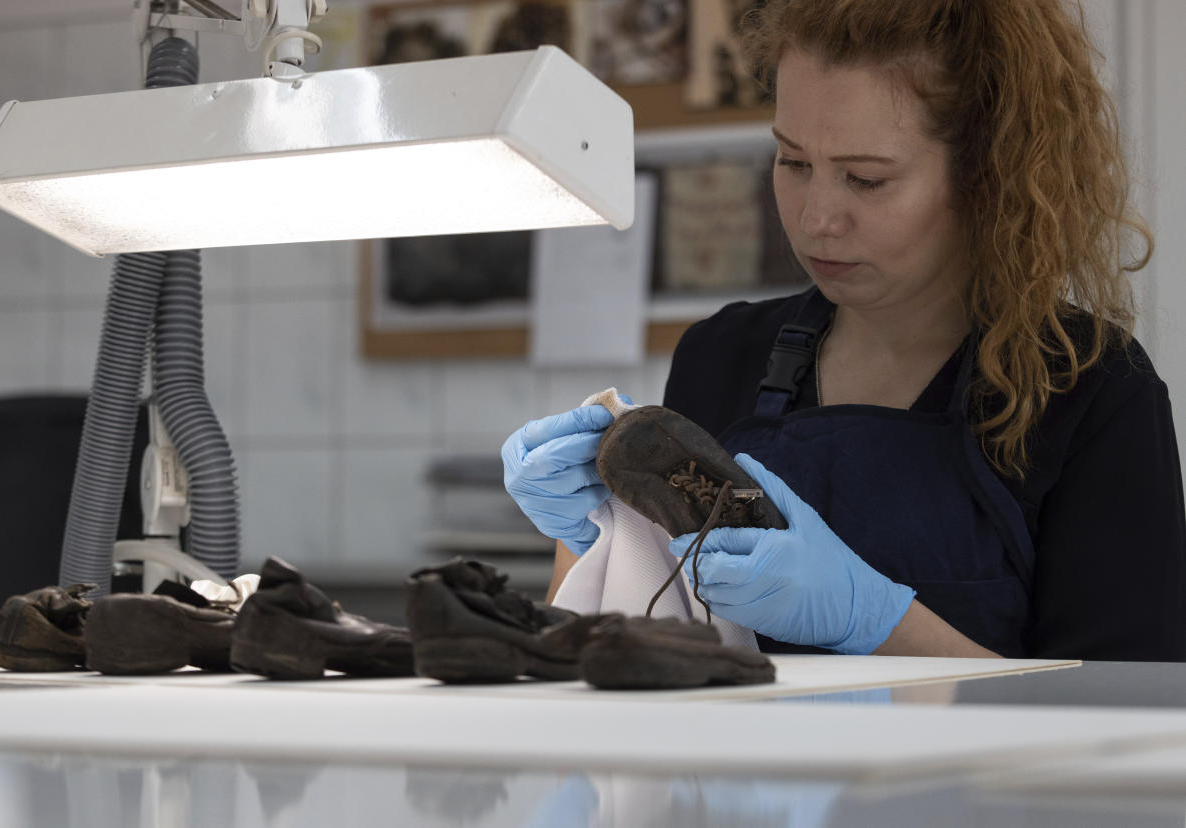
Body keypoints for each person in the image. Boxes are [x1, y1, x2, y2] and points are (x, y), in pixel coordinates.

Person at [502, 0, 1186, 661]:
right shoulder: (719, 356)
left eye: (864, 179)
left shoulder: (1088, 388)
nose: (815, 219)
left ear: (987, 176)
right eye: (793, 163)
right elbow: (642, 646)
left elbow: (1120, 720)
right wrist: (594, 538)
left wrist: (872, 619)